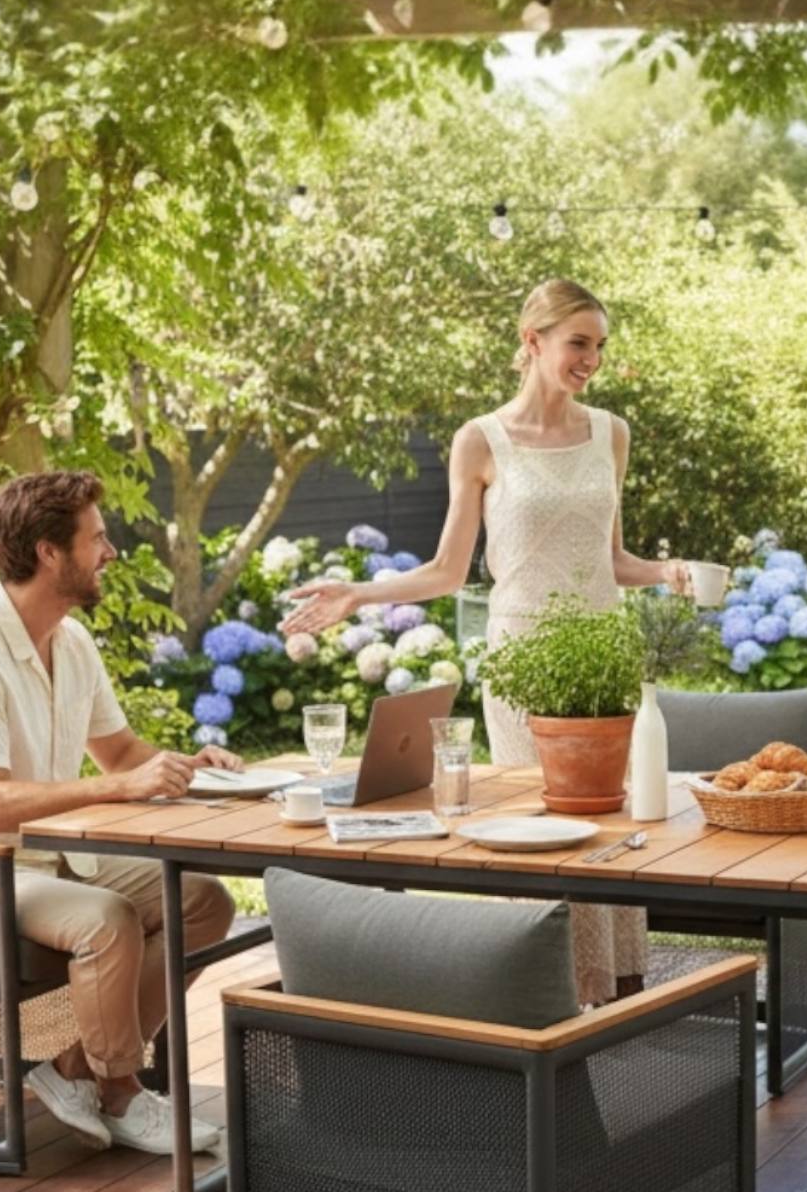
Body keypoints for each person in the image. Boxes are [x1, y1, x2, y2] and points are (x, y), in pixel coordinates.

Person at [279, 277, 692, 1005]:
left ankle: (615, 997)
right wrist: (358, 594)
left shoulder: (611, 433)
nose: (592, 359)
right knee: (537, 829)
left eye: (599, 345)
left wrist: (667, 572)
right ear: (532, 341)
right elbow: (447, 570)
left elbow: (611, 558)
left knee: (606, 824)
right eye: (578, 342)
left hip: (603, 657)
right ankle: (540, 999)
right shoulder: (481, 440)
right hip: (524, 662)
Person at [0, 471, 239, 1155]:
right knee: (106, 919)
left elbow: (120, 753)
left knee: (202, 901)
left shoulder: (72, 641)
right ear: (50, 553)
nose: (109, 552)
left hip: (45, 857)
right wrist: (120, 789)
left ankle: (78, 1068)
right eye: (97, 539)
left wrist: (187, 768)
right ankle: (121, 1090)